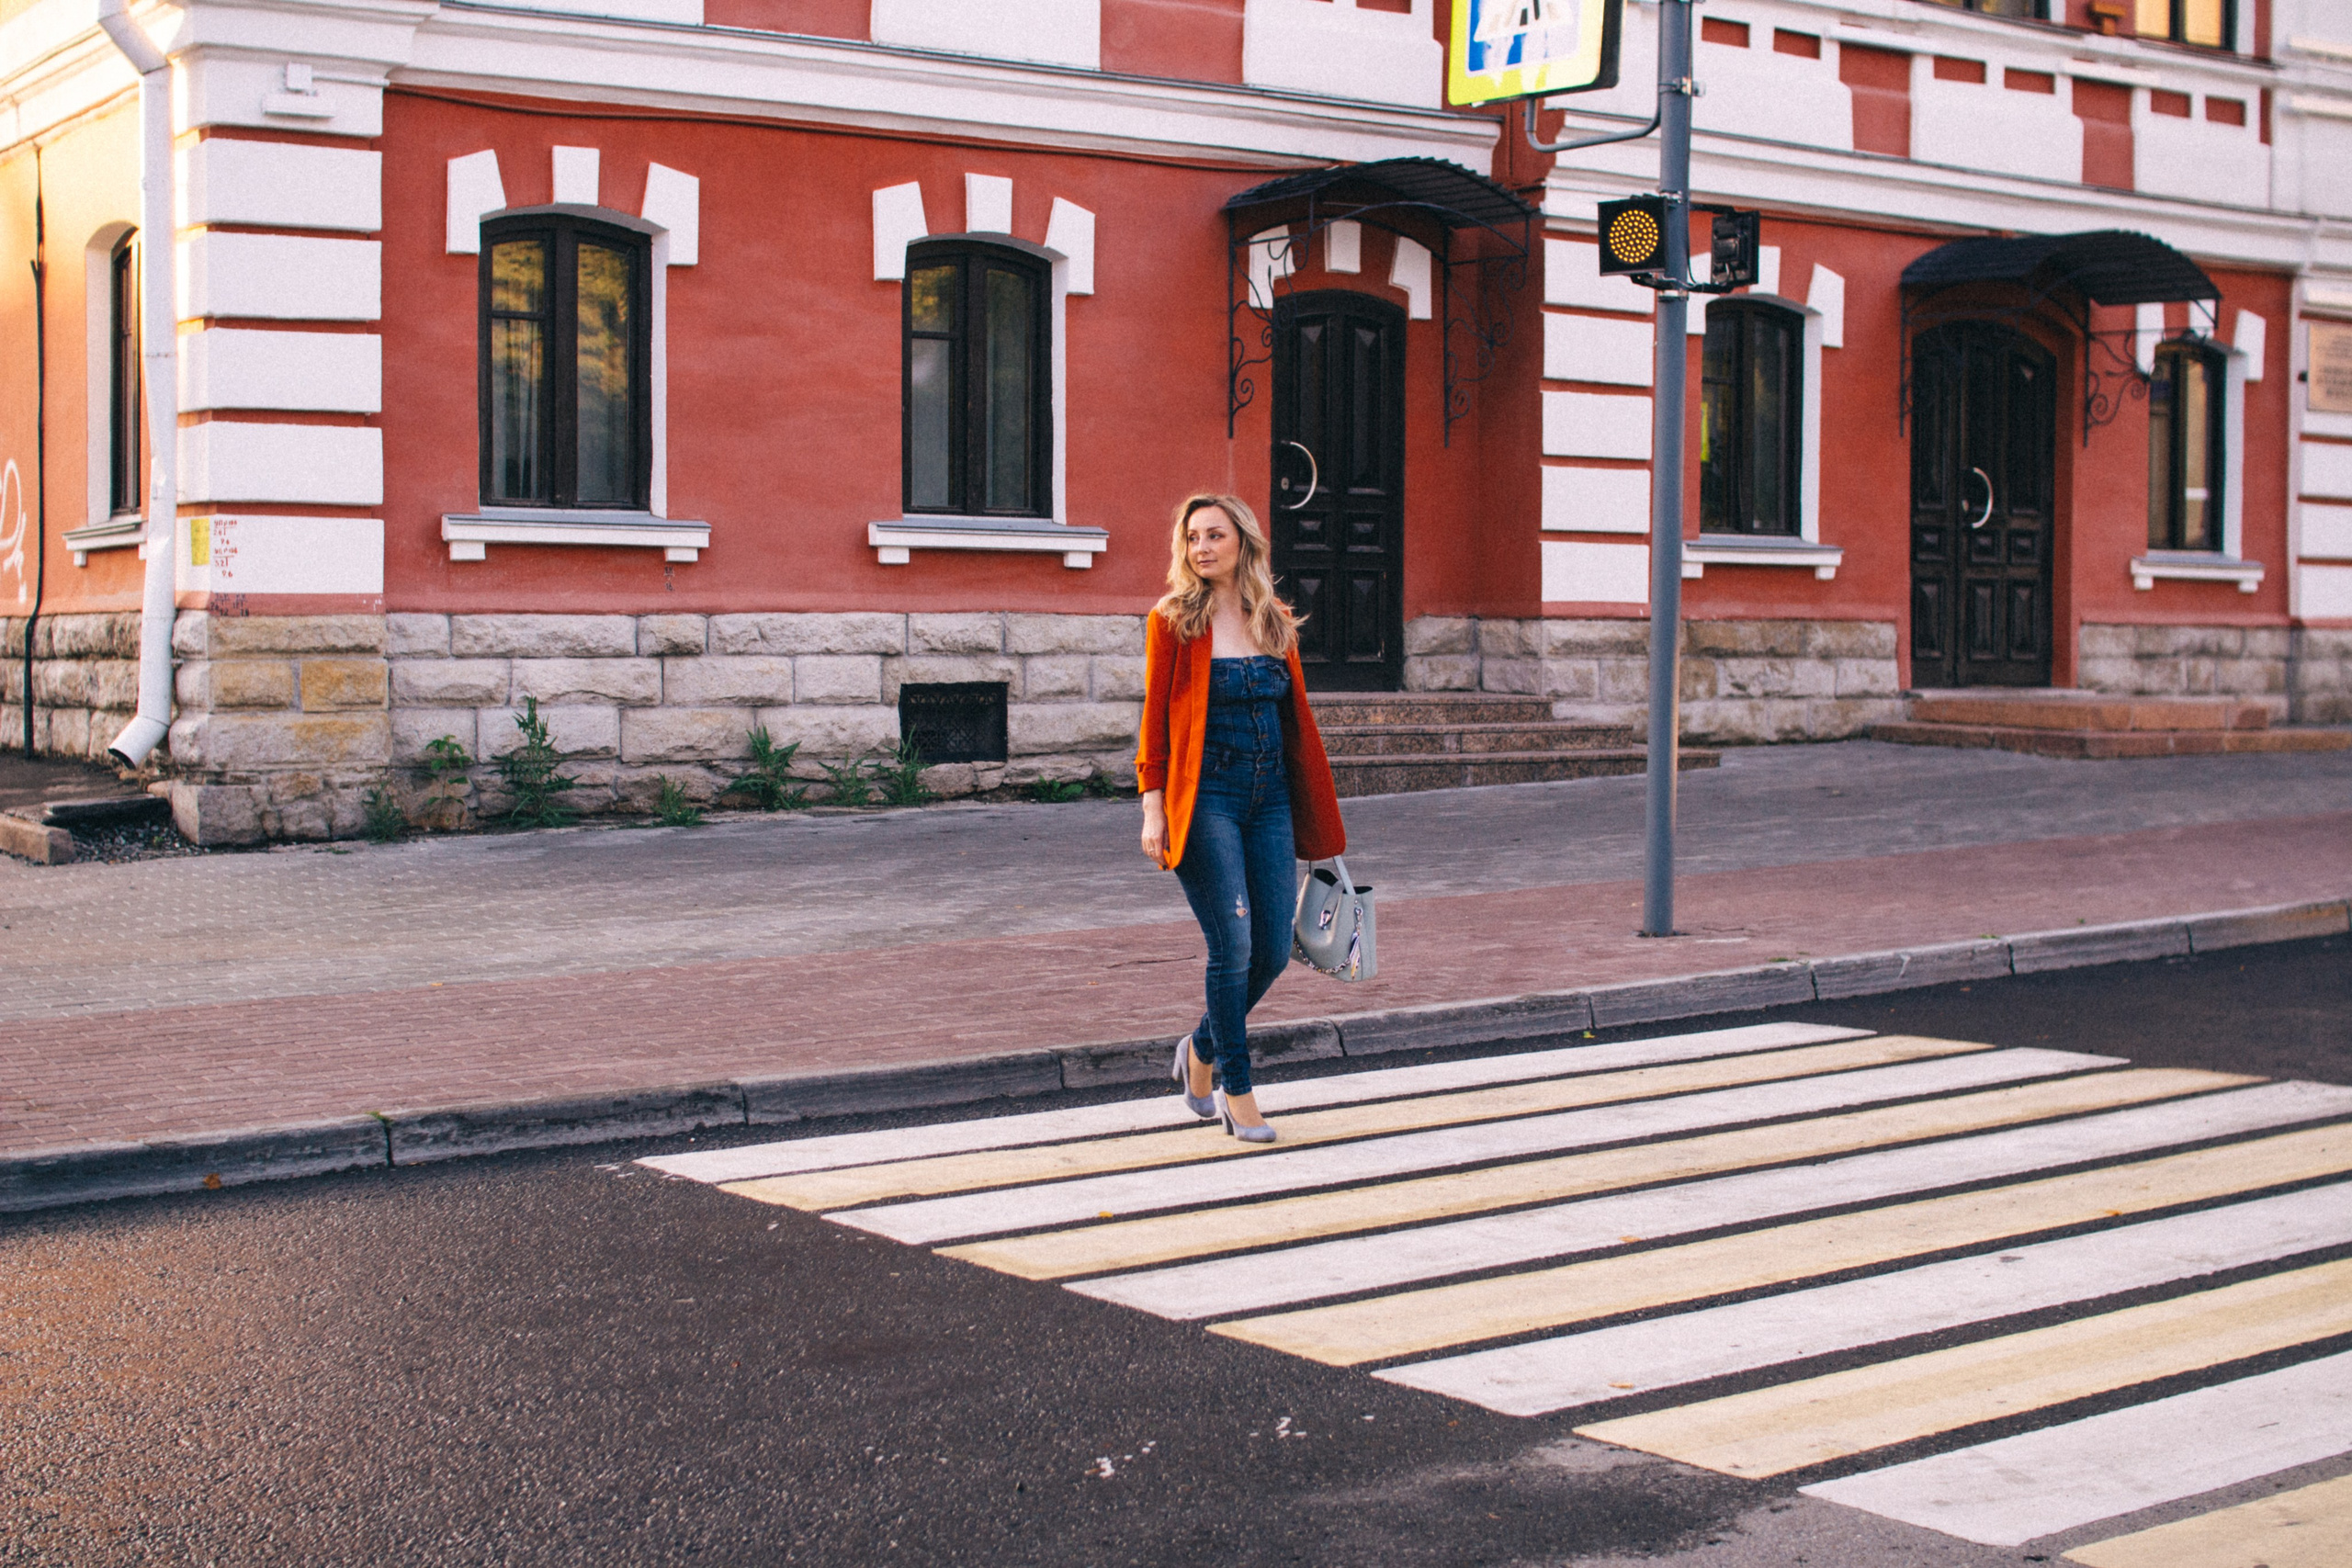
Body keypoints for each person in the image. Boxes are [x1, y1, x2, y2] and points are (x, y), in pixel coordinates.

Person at [1136, 492, 1346, 1144]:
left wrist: (1316, 816)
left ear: (1244, 543)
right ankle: (1238, 1088)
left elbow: (1296, 724)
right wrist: (1153, 810)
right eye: (1192, 537)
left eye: (1214, 535)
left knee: (1273, 954)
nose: (1201, 548)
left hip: (1270, 800)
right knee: (1232, 947)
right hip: (1206, 801)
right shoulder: (1172, 621)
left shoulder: (1275, 619)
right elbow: (1153, 725)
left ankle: (1200, 1048)